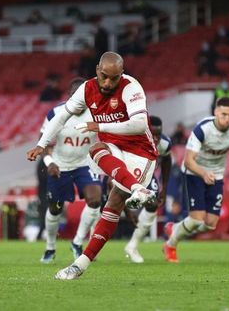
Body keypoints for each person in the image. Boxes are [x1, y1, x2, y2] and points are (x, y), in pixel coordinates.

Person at [27, 52, 158, 280]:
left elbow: (139, 125)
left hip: (141, 152)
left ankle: (80, 263)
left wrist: (99, 126)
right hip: (113, 148)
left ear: (122, 74)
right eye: (104, 76)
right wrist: (41, 144)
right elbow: (61, 116)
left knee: (114, 203)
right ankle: (137, 189)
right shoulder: (87, 89)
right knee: (96, 150)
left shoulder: (131, 87)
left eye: (114, 78)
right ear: (97, 70)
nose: (108, 83)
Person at [163, 97, 229, 263]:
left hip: (216, 174)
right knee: (197, 220)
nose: (227, 119)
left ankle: (175, 228)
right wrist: (204, 174)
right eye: (224, 114)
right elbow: (189, 160)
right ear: (216, 112)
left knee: (211, 224)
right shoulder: (202, 129)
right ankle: (171, 245)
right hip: (194, 173)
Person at [38, 77, 103, 264]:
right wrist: (50, 162)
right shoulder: (55, 113)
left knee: (95, 200)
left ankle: (77, 242)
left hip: (85, 164)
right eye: (76, 96)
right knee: (55, 208)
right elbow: (44, 144)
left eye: (84, 96)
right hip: (60, 166)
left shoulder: (96, 113)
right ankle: (50, 247)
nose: (80, 101)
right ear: (69, 96)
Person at [124, 115, 172, 263]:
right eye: (153, 134)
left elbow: (166, 162)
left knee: (152, 204)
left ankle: (132, 245)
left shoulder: (164, 143)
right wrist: (127, 211)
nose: (156, 138)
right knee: (104, 207)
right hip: (125, 173)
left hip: (146, 175)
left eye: (159, 133)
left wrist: (164, 189)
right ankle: (84, 243)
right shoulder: (132, 139)